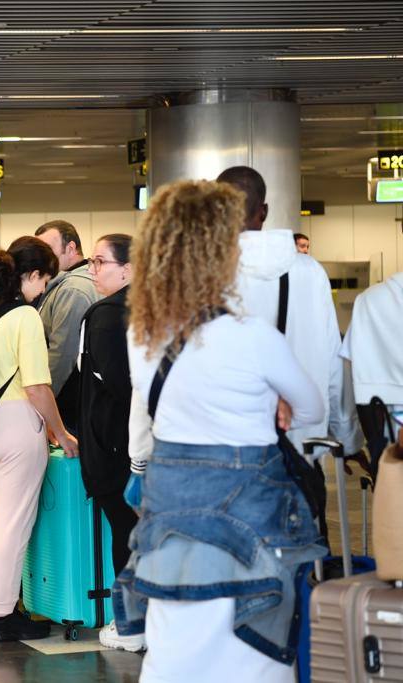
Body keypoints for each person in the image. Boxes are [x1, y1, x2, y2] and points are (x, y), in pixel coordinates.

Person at [115, 180, 327, 683]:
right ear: (220, 255)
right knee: (251, 656)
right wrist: (275, 401)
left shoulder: (142, 337)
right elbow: (312, 409)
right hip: (252, 525)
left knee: (174, 650)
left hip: (170, 521)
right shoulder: (252, 336)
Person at [0, 237, 77, 643]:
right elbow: (37, 387)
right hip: (15, 429)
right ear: (31, 274)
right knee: (13, 524)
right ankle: (3, 616)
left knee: (2, 518)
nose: (43, 289)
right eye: (44, 279)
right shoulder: (25, 316)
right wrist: (60, 432)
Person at [217, 167, 362, 458]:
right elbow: (332, 358)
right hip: (301, 445)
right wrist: (346, 437)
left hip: (223, 447)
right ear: (264, 211)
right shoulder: (310, 272)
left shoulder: (203, 273)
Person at [74, 234, 143, 653]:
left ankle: (130, 622)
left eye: (101, 262)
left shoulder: (105, 316)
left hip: (116, 446)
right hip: (143, 442)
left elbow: (117, 385)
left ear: (128, 269)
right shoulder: (153, 308)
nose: (93, 269)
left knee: (125, 531)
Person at [34, 221, 100, 434]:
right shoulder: (66, 284)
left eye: (47, 249)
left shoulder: (73, 289)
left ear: (70, 248)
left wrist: (41, 403)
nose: (41, 258)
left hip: (68, 403)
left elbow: (62, 354)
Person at [341, 270, 403, 462]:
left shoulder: (369, 300)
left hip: (382, 424)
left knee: (388, 476)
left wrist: (348, 438)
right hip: (382, 420)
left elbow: (348, 367)